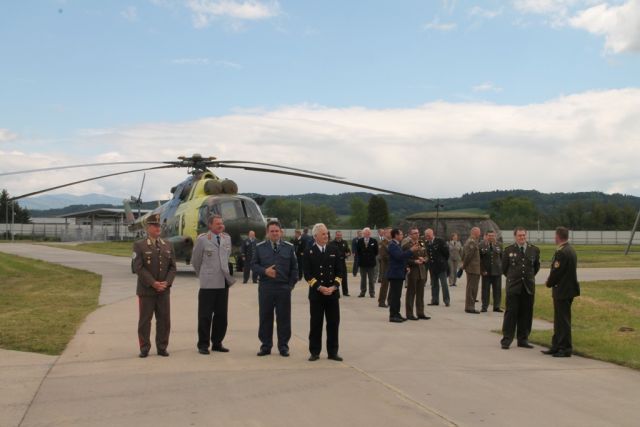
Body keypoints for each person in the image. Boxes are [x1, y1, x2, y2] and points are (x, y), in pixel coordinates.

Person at [132, 213, 177, 358]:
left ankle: (162, 347)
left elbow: (173, 267)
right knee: (145, 321)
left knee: (164, 320)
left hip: (164, 290)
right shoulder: (139, 245)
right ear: (148, 228)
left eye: (159, 225)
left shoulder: (168, 245)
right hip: (146, 291)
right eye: (155, 226)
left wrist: (167, 282)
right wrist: (153, 283)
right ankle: (144, 347)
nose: (158, 228)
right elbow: (138, 267)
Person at [251, 220, 298, 357]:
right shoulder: (260, 248)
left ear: (281, 232)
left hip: (283, 288)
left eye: (277, 231)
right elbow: (253, 265)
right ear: (267, 233)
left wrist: (290, 286)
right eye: (272, 231)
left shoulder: (289, 247)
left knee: (284, 318)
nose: (275, 233)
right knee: (265, 317)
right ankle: (266, 346)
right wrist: (265, 271)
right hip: (266, 288)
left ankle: (283, 346)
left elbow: (295, 268)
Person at [192, 215, 235, 355]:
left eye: (221, 223)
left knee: (221, 316)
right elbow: (196, 260)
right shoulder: (202, 239)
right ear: (210, 225)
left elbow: (226, 257)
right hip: (208, 284)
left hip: (223, 282)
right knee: (205, 316)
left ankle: (217, 343)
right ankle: (203, 344)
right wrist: (203, 275)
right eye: (217, 223)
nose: (221, 225)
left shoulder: (226, 238)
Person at [304, 223, 344, 361]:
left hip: (332, 294)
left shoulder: (334, 249)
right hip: (317, 294)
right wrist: (319, 287)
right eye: (323, 234)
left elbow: (340, 271)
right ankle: (315, 352)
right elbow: (307, 274)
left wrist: (334, 287)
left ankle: (333, 352)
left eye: (327, 233)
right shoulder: (309, 251)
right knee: (316, 323)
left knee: (333, 323)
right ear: (315, 236)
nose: (326, 236)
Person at [500, 227, 540, 350]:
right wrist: (514, 278)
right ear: (515, 236)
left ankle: (523, 339)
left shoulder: (534, 250)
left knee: (526, 314)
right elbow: (504, 269)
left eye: (523, 235)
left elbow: (536, 267)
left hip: (528, 287)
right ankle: (507, 339)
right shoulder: (508, 250)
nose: (522, 237)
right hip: (513, 287)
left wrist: (527, 278)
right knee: (511, 313)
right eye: (519, 235)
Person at [543, 226, 580, 357]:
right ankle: (556, 345)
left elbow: (556, 272)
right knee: (559, 319)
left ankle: (565, 348)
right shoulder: (570, 249)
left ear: (558, 236)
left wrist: (549, 282)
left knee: (562, 320)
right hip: (568, 289)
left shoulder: (562, 252)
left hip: (562, 290)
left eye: (555, 235)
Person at [387, 229, 421, 322]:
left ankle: (397, 313)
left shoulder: (398, 244)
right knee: (395, 295)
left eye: (418, 233)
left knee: (398, 295)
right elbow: (399, 256)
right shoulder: (393, 245)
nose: (402, 236)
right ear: (396, 235)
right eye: (401, 234)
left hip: (402, 272)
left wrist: (406, 266)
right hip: (396, 273)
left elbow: (402, 258)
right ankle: (393, 315)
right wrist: (411, 251)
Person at [403, 228, 429, 320]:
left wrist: (424, 259)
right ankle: (409, 313)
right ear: (410, 235)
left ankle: (420, 312)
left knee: (420, 293)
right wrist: (414, 261)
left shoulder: (421, 243)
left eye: (418, 233)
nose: (417, 234)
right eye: (414, 233)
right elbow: (404, 259)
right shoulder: (407, 245)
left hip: (422, 271)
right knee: (411, 293)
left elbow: (426, 255)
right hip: (413, 271)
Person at [425, 229, 450, 307]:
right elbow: (426, 253)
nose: (428, 237)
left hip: (441, 266)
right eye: (426, 236)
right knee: (434, 284)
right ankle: (435, 300)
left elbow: (446, 253)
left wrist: (442, 261)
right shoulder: (426, 243)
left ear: (432, 234)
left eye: (429, 235)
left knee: (444, 284)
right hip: (432, 267)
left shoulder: (440, 241)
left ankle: (446, 300)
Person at [479, 230, 503, 313]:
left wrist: (501, 269)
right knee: (485, 290)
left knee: (497, 290)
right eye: (489, 235)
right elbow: (480, 260)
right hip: (486, 272)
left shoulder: (499, 245)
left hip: (497, 271)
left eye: (492, 236)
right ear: (486, 236)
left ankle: (497, 306)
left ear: (495, 236)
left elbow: (502, 258)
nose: (491, 237)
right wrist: (482, 270)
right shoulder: (481, 245)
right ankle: (484, 306)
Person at [462, 227, 482, 314]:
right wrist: (464, 266)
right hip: (472, 269)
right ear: (475, 232)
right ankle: (470, 307)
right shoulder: (471, 242)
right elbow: (468, 256)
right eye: (479, 232)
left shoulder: (473, 241)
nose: (480, 234)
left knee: (473, 288)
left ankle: (470, 306)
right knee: (472, 288)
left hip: (474, 269)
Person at [356, 227, 379, 297]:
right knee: (363, 279)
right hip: (362, 263)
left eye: (368, 233)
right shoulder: (360, 241)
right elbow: (358, 251)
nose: (367, 234)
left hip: (371, 263)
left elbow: (376, 251)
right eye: (366, 233)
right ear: (363, 234)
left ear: (370, 233)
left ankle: (372, 292)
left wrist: (370, 256)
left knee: (371, 279)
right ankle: (362, 292)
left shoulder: (374, 241)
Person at [329, 230, 351, 296]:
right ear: (335, 235)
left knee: (344, 278)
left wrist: (348, 253)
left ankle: (345, 292)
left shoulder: (344, 242)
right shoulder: (331, 243)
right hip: (334, 263)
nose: (339, 236)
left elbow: (348, 251)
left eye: (340, 235)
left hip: (342, 262)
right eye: (338, 235)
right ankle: (335, 291)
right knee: (335, 278)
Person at [377, 227, 391, 308]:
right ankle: (381, 301)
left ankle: (390, 300)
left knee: (392, 285)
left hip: (393, 267)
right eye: (389, 232)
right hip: (386, 267)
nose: (391, 234)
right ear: (385, 234)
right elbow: (383, 256)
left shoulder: (393, 242)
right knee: (385, 285)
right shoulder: (383, 243)